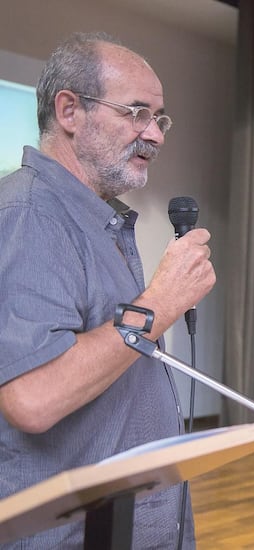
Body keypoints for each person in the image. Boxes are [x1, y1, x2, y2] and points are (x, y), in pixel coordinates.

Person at [0, 32, 215, 548]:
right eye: (136, 113)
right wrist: (161, 304)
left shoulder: (93, 218)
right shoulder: (31, 214)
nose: (156, 135)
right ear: (70, 111)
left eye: (159, 119)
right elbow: (33, 398)